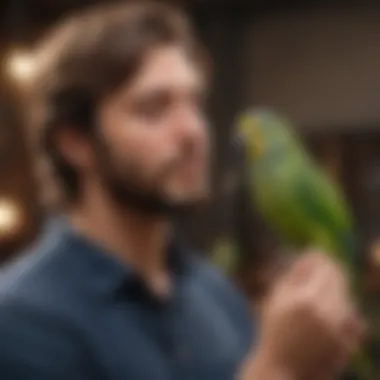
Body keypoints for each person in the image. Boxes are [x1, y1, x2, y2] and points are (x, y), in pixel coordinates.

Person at [0, 2, 363, 380]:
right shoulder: (21, 320)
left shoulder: (217, 296)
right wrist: (279, 368)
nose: (193, 132)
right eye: (154, 109)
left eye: (195, 104)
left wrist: (314, 365)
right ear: (75, 143)